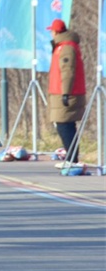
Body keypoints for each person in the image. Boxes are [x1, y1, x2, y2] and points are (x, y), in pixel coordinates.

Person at [47, 18, 86, 168]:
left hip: (66, 93)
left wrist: (66, 92)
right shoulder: (62, 46)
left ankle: (72, 159)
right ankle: (71, 158)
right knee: (65, 124)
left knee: (64, 125)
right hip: (61, 92)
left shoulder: (66, 47)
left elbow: (67, 71)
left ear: (56, 32)